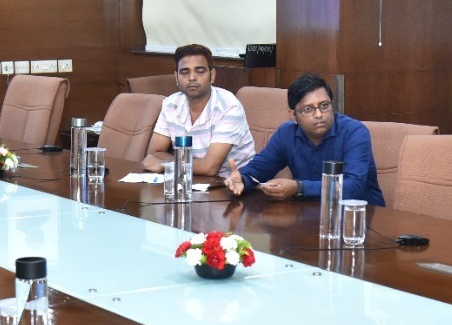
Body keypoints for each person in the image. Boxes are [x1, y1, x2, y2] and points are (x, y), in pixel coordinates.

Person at [224, 73, 384, 206]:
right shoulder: (286, 134)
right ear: (293, 115)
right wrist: (243, 180)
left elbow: (353, 186)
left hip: (360, 220)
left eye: (324, 105)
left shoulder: (354, 132)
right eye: (308, 109)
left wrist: (299, 187)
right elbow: (260, 169)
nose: (319, 114)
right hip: (309, 215)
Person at [143, 43, 255, 177]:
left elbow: (210, 167)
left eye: (200, 71)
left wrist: (166, 165)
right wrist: (186, 165)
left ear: (212, 76)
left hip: (231, 185)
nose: (192, 78)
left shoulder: (229, 107)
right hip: (189, 181)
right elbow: (154, 153)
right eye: (185, 72)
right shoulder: (170, 104)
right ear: (176, 78)